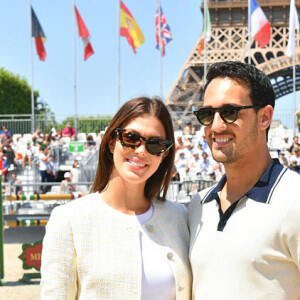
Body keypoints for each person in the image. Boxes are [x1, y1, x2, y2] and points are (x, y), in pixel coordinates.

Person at [41, 96, 192, 299]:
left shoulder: (179, 217)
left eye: (155, 145)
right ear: (112, 142)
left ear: (164, 155)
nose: (141, 151)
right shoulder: (69, 220)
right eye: (131, 138)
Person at [189, 61, 300, 299]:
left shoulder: (295, 199)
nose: (216, 126)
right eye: (207, 114)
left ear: (264, 118)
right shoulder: (197, 207)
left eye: (230, 112)